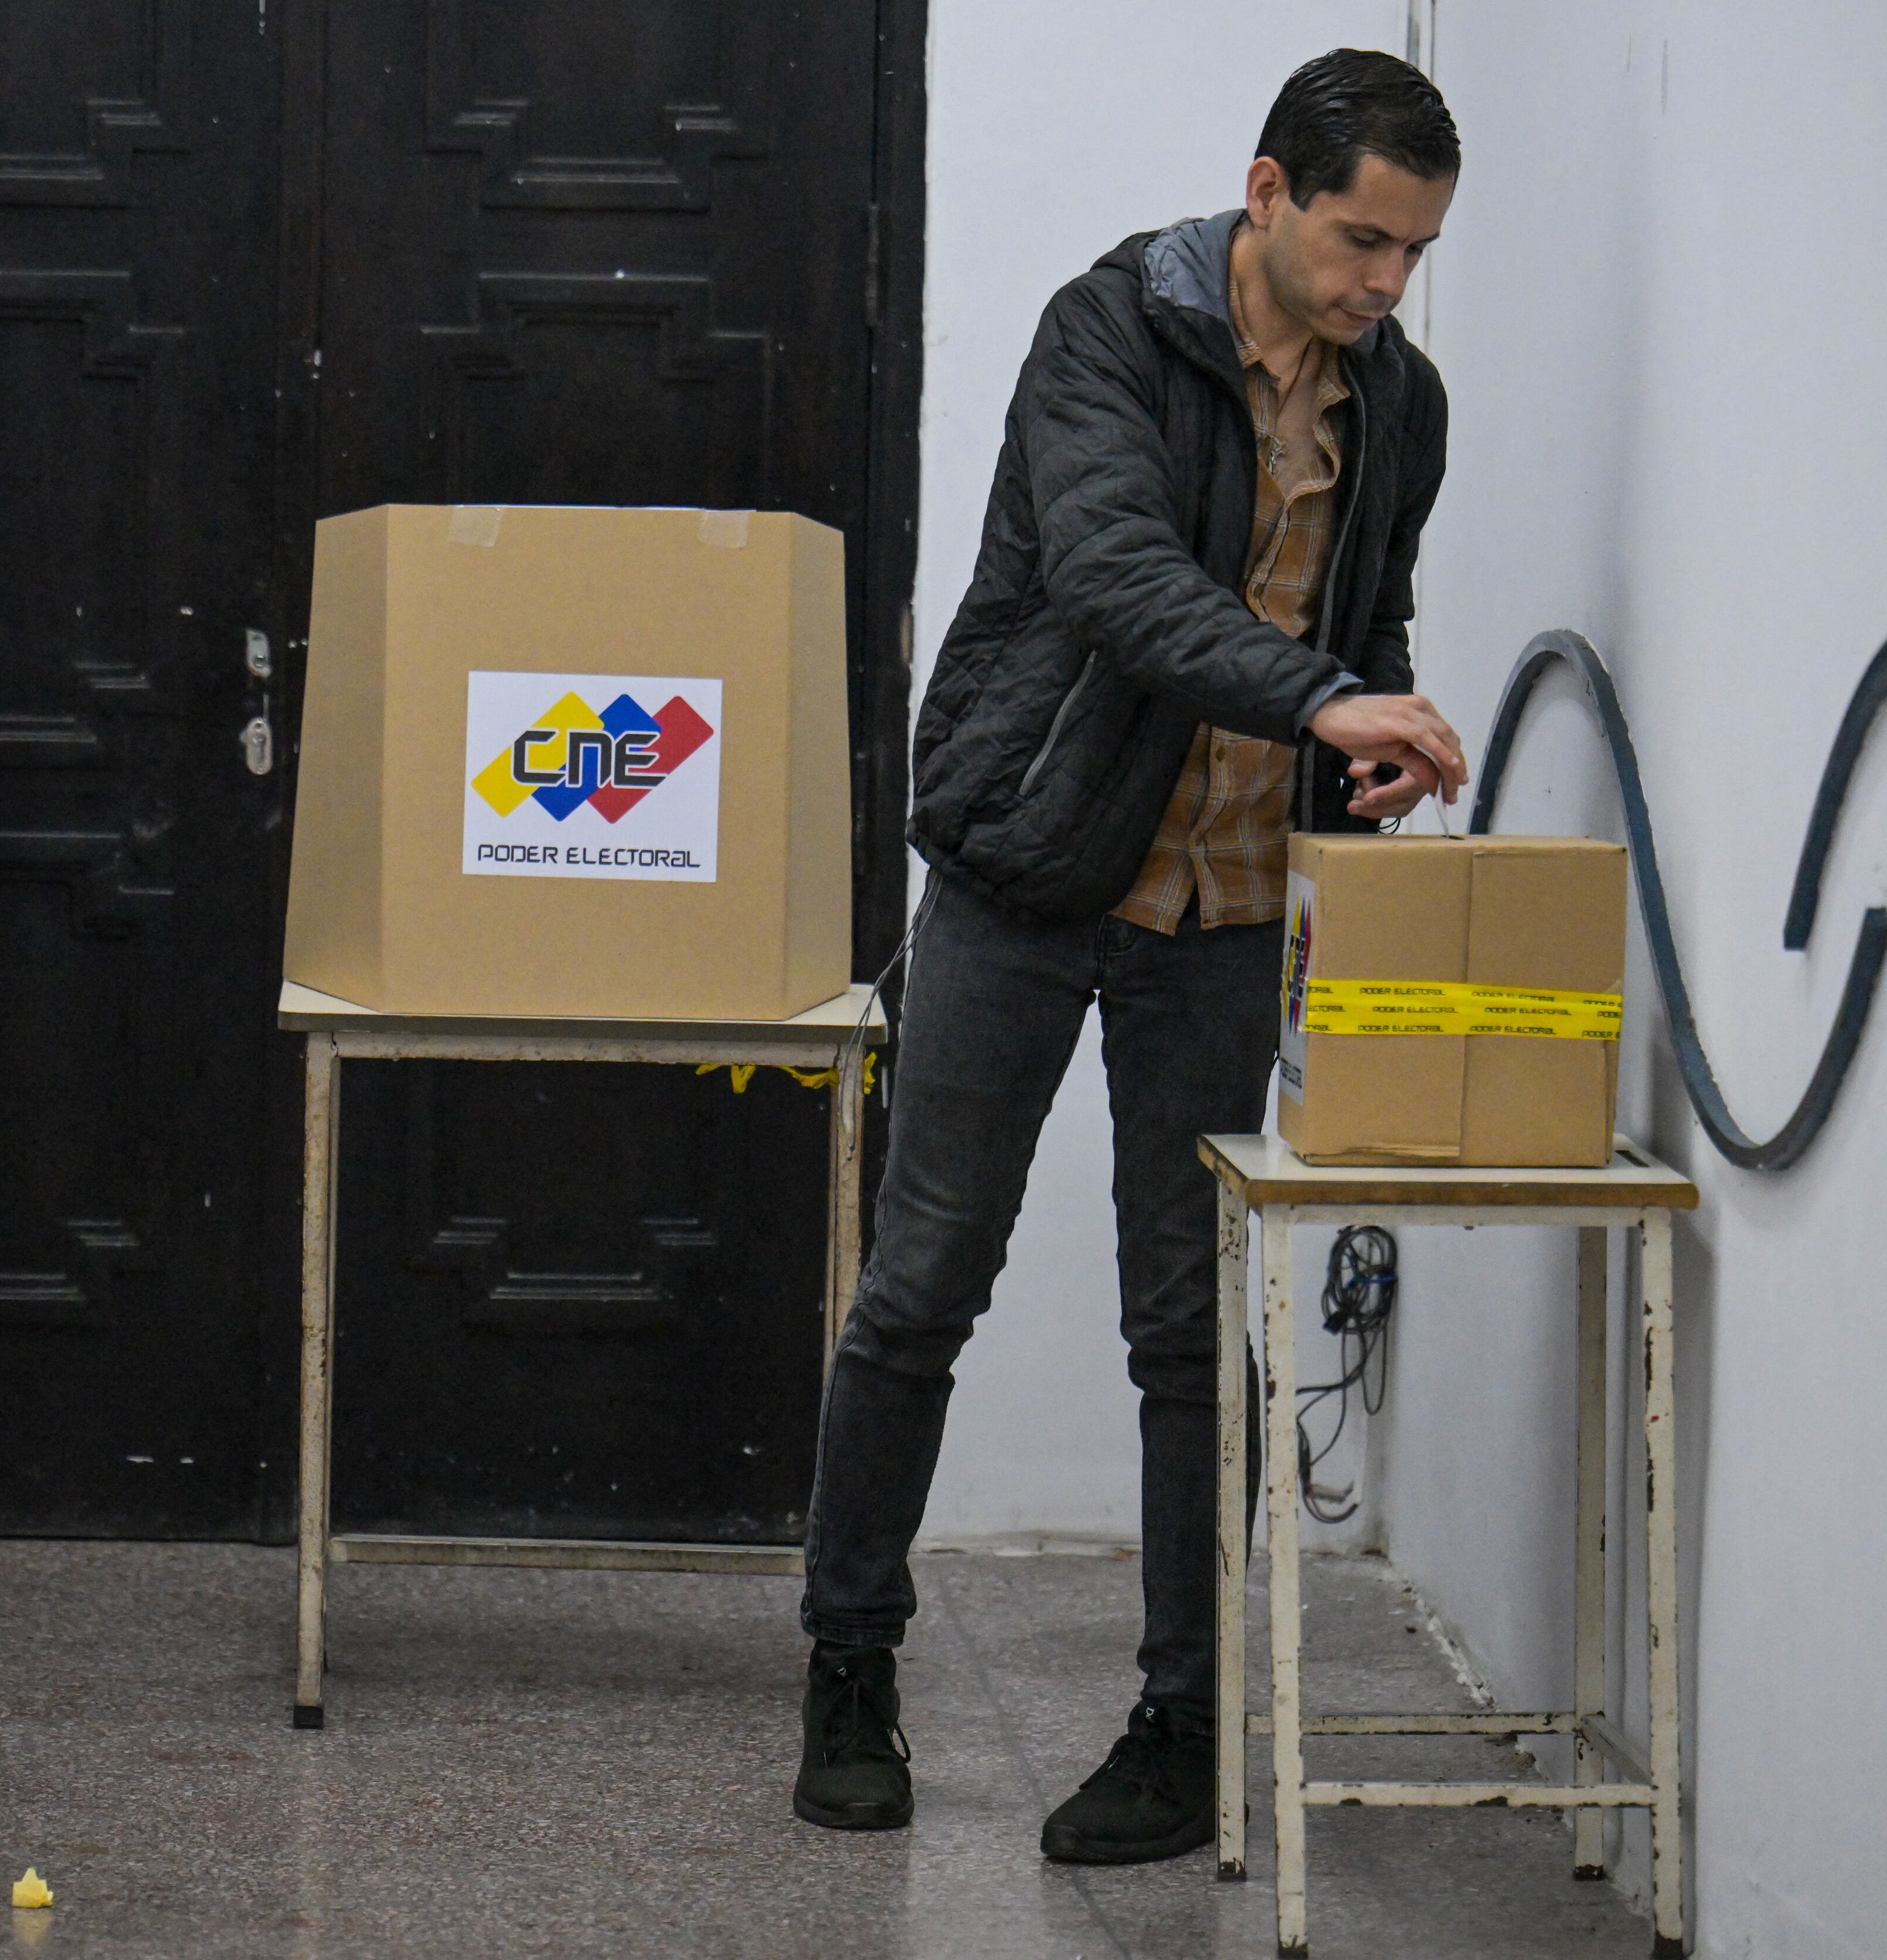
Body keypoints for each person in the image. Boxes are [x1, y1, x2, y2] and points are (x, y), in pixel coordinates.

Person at [790, 50, 1471, 1862]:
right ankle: (849, 1662)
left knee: (1193, 1331)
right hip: (1030, 872)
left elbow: (1367, 611)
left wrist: (1365, 762)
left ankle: (1183, 1719)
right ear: (1266, 193)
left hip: (1233, 913)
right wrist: (1335, 693)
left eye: (1413, 252)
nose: (1384, 284)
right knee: (922, 1281)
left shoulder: (1401, 405)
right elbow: (1114, 577)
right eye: (1359, 240)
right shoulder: (1107, 329)